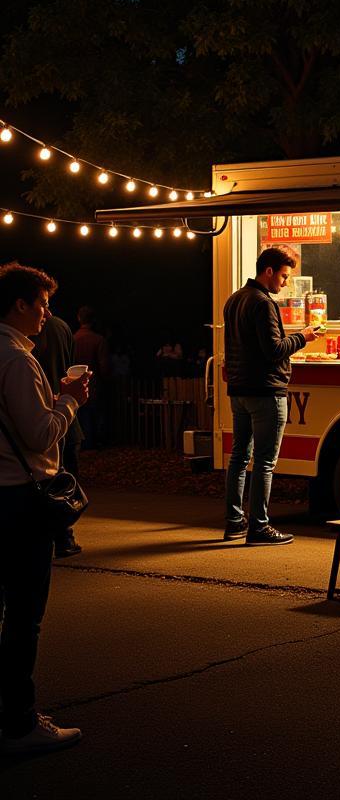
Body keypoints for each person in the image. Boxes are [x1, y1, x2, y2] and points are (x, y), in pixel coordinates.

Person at [0, 262, 89, 754]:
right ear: (21, 303)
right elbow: (40, 435)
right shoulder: (16, 359)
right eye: (42, 304)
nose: (46, 315)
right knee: (23, 615)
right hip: (18, 499)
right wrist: (69, 400)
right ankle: (19, 721)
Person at [223, 246, 319, 545]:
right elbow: (274, 350)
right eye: (284, 275)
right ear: (269, 271)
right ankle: (259, 527)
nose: (285, 282)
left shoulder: (234, 299)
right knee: (264, 462)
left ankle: (234, 522)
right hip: (266, 390)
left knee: (239, 458)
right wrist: (303, 337)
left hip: (239, 390)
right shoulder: (263, 303)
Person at [32, 313, 86, 558]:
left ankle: (52, 536)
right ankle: (64, 535)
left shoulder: (20, 345)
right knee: (63, 480)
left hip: (43, 414)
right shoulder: (62, 327)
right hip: (66, 414)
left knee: (42, 482)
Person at [72, 306, 109, 449]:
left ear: (79, 318)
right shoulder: (99, 340)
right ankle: (95, 443)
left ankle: (83, 443)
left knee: (81, 415)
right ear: (93, 320)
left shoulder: (73, 339)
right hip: (94, 384)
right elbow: (104, 366)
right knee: (95, 415)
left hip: (75, 384)